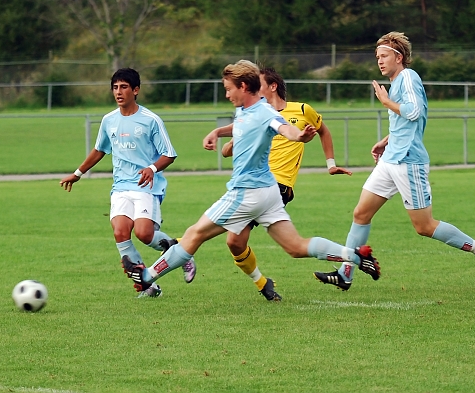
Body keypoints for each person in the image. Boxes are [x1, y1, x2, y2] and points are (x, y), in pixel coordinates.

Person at [121, 60, 380, 297]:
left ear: (243, 86)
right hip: (268, 192)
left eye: (228, 89)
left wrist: (299, 136)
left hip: (246, 192)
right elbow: (243, 125)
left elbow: (283, 128)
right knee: (295, 247)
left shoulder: (265, 112)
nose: (226, 94)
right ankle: (356, 255)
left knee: (194, 234)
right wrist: (217, 132)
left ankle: (146, 276)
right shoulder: (247, 108)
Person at [313, 32, 475, 291]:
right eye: (377, 57)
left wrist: (387, 102)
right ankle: (346, 273)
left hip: (409, 163)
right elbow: (407, 121)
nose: (379, 61)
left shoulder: (408, 77)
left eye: (384, 56)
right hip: (391, 160)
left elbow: (415, 112)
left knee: (424, 226)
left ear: (399, 57)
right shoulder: (396, 82)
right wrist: (387, 140)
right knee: (361, 213)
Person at [199, 67, 353, 301]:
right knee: (235, 242)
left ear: (272, 86)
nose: (251, 88)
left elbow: (323, 131)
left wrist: (330, 163)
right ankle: (263, 283)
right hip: (254, 183)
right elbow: (231, 148)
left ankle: (177, 247)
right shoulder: (253, 113)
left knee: (209, 233)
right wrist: (225, 137)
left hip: (276, 186)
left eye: (257, 84)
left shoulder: (301, 110)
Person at [59, 68, 194, 298]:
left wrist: (151, 169)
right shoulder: (109, 120)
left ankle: (182, 253)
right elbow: (99, 150)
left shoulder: (151, 120)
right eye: (115, 87)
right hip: (120, 187)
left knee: (143, 233)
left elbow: (169, 154)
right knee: (121, 232)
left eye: (123, 87)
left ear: (136, 90)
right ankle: (148, 286)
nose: (118, 92)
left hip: (146, 186)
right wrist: (77, 173)